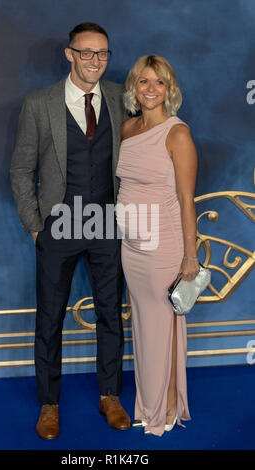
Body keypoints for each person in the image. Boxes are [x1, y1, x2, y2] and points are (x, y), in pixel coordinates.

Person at [10, 22, 131, 439]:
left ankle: (110, 395)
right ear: (69, 54)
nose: (94, 61)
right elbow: (21, 170)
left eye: (102, 54)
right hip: (57, 227)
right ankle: (49, 403)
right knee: (49, 318)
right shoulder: (38, 104)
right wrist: (34, 228)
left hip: (107, 225)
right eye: (86, 53)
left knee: (110, 314)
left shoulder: (120, 97)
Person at [116, 54, 199, 436]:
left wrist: (189, 255)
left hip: (162, 247)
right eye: (143, 82)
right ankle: (150, 401)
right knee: (146, 327)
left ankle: (165, 403)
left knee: (161, 325)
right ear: (134, 86)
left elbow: (186, 199)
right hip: (130, 245)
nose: (150, 89)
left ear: (170, 89)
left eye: (159, 82)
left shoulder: (177, 133)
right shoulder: (129, 129)